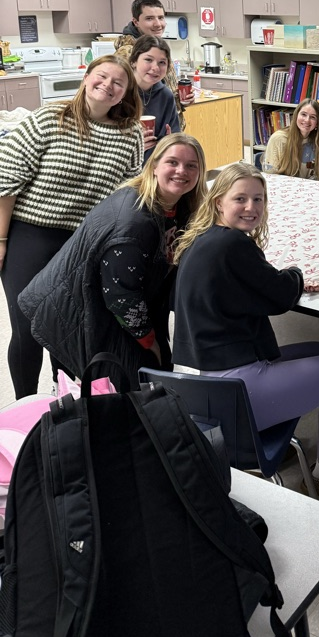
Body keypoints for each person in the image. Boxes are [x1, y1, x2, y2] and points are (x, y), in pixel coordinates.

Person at [171, 163, 319, 496]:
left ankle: (281, 432)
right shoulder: (234, 245)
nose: (252, 208)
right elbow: (281, 295)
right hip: (235, 395)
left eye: (258, 199)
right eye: (241, 199)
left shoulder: (201, 241)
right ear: (219, 201)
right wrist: (296, 272)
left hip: (201, 388)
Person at [0, 55, 143, 397]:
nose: (107, 85)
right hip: (30, 234)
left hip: (83, 243)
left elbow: (128, 196)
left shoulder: (131, 134)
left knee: (67, 329)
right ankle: (26, 407)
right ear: (86, 77)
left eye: (118, 83)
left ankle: (65, 405)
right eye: (102, 76)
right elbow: (6, 181)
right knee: (27, 329)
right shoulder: (51, 118)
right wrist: (1, 239)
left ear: (124, 94)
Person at [19, 134, 206, 387]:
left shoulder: (179, 205)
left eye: (191, 165)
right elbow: (121, 297)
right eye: (172, 162)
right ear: (153, 166)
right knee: (135, 385)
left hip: (106, 299)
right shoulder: (134, 224)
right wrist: (150, 341)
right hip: (74, 308)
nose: (181, 171)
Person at [115, 0, 192, 126]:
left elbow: (162, 92)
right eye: (149, 18)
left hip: (168, 129)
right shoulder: (127, 53)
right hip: (145, 132)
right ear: (136, 22)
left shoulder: (159, 48)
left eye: (161, 18)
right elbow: (119, 99)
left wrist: (181, 101)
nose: (158, 24)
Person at [130, 34, 181, 159]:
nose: (155, 68)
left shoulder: (166, 96)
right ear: (133, 62)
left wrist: (170, 142)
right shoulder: (120, 92)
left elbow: (175, 136)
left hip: (154, 169)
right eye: (148, 60)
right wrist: (132, 146)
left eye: (162, 62)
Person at [263, 99, 319, 180]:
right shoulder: (278, 139)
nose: (307, 120)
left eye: (313, 117)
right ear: (296, 115)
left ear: (318, 123)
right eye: (303, 114)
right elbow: (270, 176)